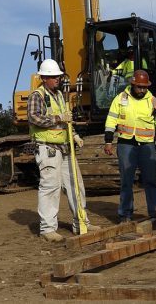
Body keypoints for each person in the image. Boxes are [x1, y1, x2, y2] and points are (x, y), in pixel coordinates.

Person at [28, 58, 93, 242]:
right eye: (53, 76)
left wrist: (74, 135)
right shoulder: (37, 96)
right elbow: (34, 118)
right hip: (48, 148)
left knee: (76, 185)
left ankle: (82, 222)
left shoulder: (59, 96)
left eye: (57, 76)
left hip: (65, 147)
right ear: (44, 78)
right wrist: (58, 118)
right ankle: (48, 228)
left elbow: (67, 121)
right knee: (50, 187)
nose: (57, 79)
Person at [103, 69, 156, 224]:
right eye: (139, 87)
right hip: (126, 144)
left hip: (147, 145)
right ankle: (125, 215)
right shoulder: (121, 98)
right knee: (126, 181)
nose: (142, 90)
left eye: (145, 87)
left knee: (150, 180)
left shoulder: (154, 102)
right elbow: (111, 119)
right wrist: (108, 140)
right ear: (133, 84)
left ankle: (155, 214)